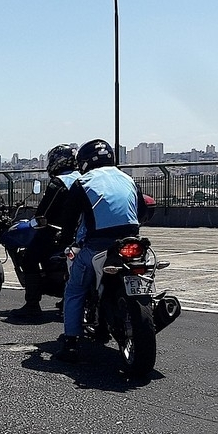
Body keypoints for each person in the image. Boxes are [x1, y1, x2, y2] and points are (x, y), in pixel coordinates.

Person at [54, 139, 147, 362]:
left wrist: (63, 239)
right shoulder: (128, 179)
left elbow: (69, 220)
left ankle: (71, 343)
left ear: (84, 162)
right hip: (131, 240)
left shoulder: (83, 183)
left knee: (74, 289)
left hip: (98, 244)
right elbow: (142, 210)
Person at [10, 144, 81, 320]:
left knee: (29, 259)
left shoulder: (59, 182)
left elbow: (44, 212)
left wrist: (35, 220)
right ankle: (66, 298)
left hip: (58, 231)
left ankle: (32, 305)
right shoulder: (83, 178)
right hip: (81, 232)